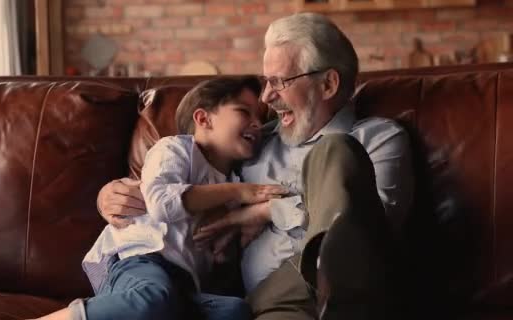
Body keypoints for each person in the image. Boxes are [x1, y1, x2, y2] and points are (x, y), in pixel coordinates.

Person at [98, 13, 414, 320]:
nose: (266, 97)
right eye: (266, 82)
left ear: (329, 84)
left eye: (280, 82)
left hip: (352, 288)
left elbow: (371, 225)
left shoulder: (378, 137)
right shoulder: (253, 142)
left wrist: (261, 212)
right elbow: (180, 182)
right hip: (272, 303)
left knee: (335, 150)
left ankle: (329, 280)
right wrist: (112, 194)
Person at [37, 76, 290, 320]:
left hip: (183, 285)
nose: (257, 122)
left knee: (233, 311)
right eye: (244, 112)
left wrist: (227, 244)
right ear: (204, 118)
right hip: (141, 260)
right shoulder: (175, 150)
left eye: (259, 116)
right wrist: (241, 192)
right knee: (153, 297)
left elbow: (217, 252)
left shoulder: (232, 181)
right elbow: (161, 204)